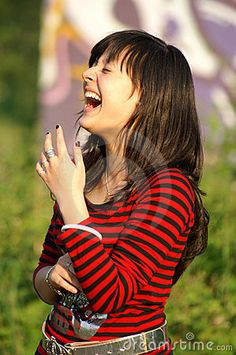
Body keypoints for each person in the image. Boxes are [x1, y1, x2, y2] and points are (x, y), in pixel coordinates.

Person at [34, 30, 209, 355]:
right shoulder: (83, 175)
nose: (88, 73)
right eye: (93, 64)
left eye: (106, 69)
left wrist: (70, 203)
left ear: (147, 95)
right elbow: (43, 274)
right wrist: (51, 277)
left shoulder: (168, 190)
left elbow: (110, 296)